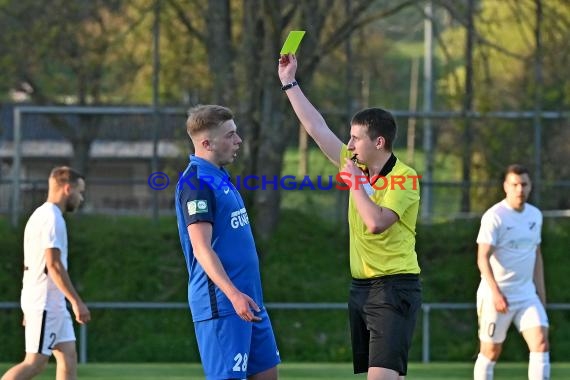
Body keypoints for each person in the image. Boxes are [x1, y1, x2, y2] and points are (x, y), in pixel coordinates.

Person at [278, 54, 422, 380]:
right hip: (361, 288)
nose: (350, 144)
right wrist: (289, 81)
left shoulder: (405, 177)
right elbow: (316, 127)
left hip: (394, 288)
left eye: (356, 138)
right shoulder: (355, 164)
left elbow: (376, 222)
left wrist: (355, 184)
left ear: (379, 142)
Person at [174, 105, 280, 380]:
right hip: (223, 305)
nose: (238, 140)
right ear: (207, 143)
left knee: (268, 375)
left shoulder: (220, 178)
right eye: (230, 135)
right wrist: (233, 295)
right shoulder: (196, 183)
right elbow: (201, 247)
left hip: (250, 301)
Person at [2, 166, 91, 380]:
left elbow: (34, 262)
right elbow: (53, 265)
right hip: (45, 303)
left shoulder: (40, 215)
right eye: (80, 192)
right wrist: (76, 301)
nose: (81, 198)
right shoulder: (52, 218)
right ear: (67, 189)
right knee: (34, 364)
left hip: (51, 303)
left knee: (68, 358)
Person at [474, 164, 549, 380]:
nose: (520, 189)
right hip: (497, 295)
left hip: (526, 295)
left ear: (530, 186)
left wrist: (540, 296)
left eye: (524, 184)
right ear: (506, 186)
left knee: (541, 343)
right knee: (490, 352)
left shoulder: (535, 215)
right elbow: (482, 258)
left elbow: (537, 256)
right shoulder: (494, 216)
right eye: (515, 184)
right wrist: (496, 293)